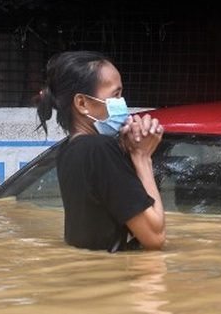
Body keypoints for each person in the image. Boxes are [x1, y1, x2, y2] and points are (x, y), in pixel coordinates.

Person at [35, 51, 165, 252]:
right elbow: (155, 237)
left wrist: (127, 150)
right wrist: (142, 157)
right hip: (118, 275)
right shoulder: (99, 149)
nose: (121, 102)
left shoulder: (68, 150)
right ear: (82, 104)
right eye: (116, 95)